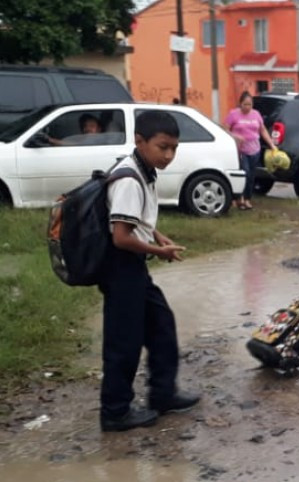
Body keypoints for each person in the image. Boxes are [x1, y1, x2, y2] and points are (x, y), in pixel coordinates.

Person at [98, 110, 199, 432]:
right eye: (162, 147)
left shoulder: (144, 169)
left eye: (174, 148)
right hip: (120, 266)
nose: (168, 155)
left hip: (133, 266)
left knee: (161, 326)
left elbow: (134, 221)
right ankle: (114, 413)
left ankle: (163, 394)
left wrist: (156, 234)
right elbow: (121, 237)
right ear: (139, 141)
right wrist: (159, 251)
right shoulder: (129, 178)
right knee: (123, 342)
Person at [225, 91, 278, 210]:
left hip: (255, 149)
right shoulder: (233, 114)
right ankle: (240, 198)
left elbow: (262, 130)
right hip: (241, 150)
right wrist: (236, 137)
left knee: (252, 176)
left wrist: (271, 145)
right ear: (240, 104)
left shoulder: (256, 114)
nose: (247, 107)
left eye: (250, 104)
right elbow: (225, 130)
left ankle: (248, 199)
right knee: (245, 173)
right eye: (245, 104)